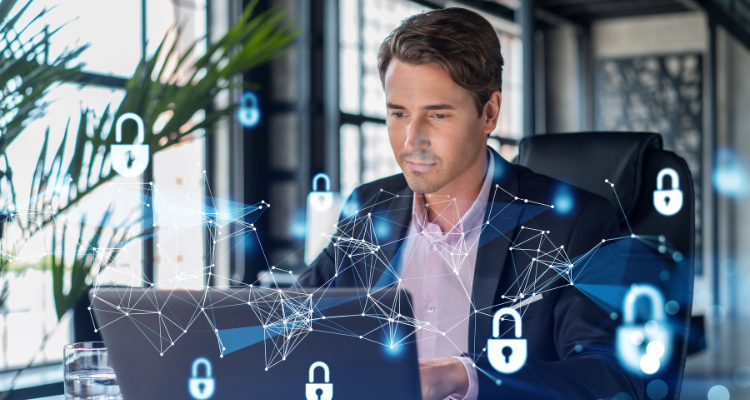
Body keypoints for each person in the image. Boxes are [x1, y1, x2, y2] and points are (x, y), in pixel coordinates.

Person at [298, 7, 643, 400]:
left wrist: (461, 376)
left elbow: (612, 380)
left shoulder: (575, 224)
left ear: (489, 113)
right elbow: (289, 323)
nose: (412, 140)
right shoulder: (368, 208)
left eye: (438, 114)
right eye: (398, 113)